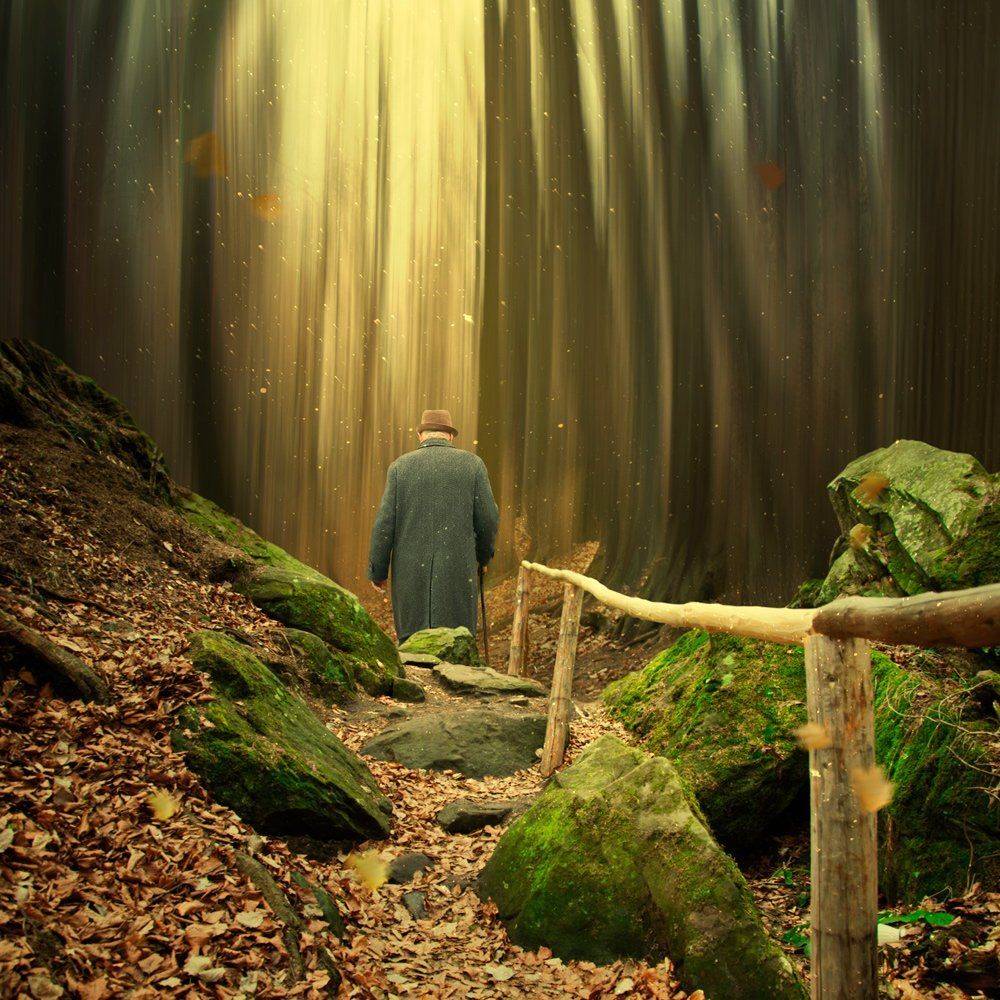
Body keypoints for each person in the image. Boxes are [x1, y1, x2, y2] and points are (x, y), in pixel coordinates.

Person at [367, 409, 500, 643]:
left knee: (412, 645)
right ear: (450, 436)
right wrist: (483, 557)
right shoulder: (473, 465)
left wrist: (378, 572)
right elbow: (488, 519)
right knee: (457, 642)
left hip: (410, 578)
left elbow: (385, 524)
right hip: (457, 575)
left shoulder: (400, 468)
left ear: (421, 435)